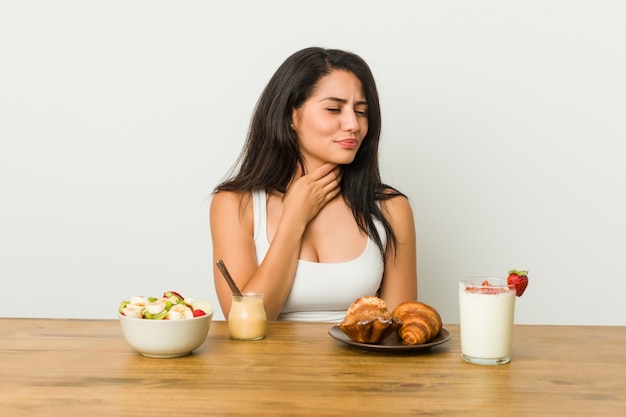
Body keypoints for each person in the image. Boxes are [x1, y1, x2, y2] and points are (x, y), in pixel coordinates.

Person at [210, 47, 417, 322]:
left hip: (363, 366)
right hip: (268, 366)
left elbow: (398, 331)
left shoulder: (391, 208)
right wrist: (294, 219)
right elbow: (246, 323)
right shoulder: (235, 204)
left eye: (362, 111)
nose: (353, 124)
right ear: (291, 116)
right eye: (333, 109)